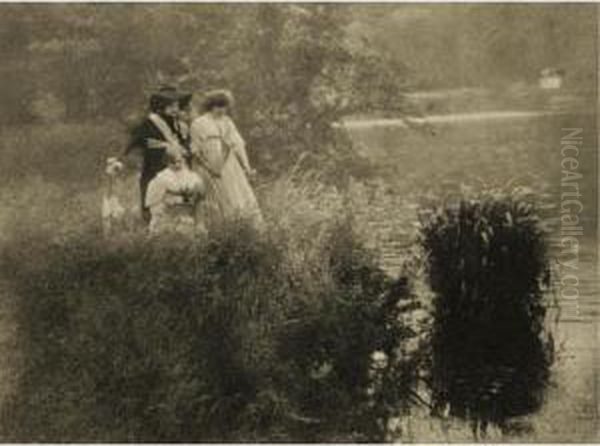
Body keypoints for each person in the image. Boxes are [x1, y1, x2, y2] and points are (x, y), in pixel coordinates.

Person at [190, 90, 263, 225]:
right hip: (207, 165)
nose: (222, 110)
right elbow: (195, 148)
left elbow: (238, 145)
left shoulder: (227, 122)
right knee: (212, 198)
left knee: (234, 195)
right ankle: (215, 228)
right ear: (210, 106)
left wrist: (247, 166)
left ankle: (237, 227)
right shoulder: (198, 123)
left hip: (228, 165)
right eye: (218, 106)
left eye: (224, 106)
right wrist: (208, 167)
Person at [126, 85, 192, 224]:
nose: (175, 109)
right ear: (160, 106)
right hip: (156, 168)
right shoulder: (149, 123)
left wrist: (184, 150)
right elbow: (136, 146)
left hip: (179, 168)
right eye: (170, 105)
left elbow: (186, 145)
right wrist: (165, 148)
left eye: (177, 105)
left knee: (181, 205)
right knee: (157, 204)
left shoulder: (181, 125)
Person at [145, 151, 206, 235]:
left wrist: (193, 190)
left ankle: (197, 226)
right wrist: (178, 193)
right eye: (173, 163)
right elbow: (155, 204)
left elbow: (199, 193)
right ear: (167, 163)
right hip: (167, 216)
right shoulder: (162, 177)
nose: (177, 165)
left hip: (186, 215)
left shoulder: (191, 176)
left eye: (179, 161)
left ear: (183, 161)